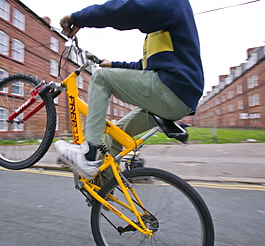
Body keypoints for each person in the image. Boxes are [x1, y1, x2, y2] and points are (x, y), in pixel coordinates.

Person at [54, 0, 204, 179]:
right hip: (179, 96)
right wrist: (113, 64)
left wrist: (78, 18)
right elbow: (145, 66)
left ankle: (88, 154)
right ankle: (104, 193)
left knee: (101, 78)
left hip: (172, 88)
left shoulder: (173, 3)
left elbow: (127, 9)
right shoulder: (163, 28)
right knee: (114, 135)